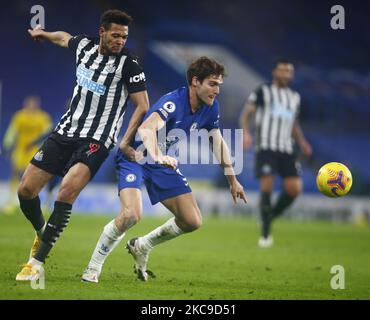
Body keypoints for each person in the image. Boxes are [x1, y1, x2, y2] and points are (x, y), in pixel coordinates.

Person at [82, 56, 247, 283]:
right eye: (212, 84)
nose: (217, 90)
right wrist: (159, 155)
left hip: (161, 162)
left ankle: (142, 245)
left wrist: (232, 179)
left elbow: (217, 143)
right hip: (136, 157)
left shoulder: (210, 108)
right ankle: (93, 268)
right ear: (195, 82)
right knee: (131, 215)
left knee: (192, 220)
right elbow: (147, 129)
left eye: (219, 85)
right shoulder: (173, 102)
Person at [16, 9, 149, 281]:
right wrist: (43, 33)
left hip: (97, 139)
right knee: (26, 190)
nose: (120, 41)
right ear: (101, 32)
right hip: (65, 131)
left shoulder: (129, 64)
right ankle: (43, 232)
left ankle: (35, 263)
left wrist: (124, 138)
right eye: (115, 35)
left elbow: (143, 105)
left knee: (65, 191)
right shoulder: (85, 46)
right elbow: (64, 38)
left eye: (124, 37)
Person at [239, 59, 312, 248]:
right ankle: (265, 235)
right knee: (267, 186)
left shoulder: (294, 97)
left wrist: (302, 141)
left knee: (294, 189)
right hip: (266, 147)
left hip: (287, 149)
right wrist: (246, 133)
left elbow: (293, 123)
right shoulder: (263, 91)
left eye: (289, 71)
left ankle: (268, 217)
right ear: (274, 72)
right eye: (282, 70)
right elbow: (247, 114)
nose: (286, 74)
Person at [2, 96, 52, 214]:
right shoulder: (19, 116)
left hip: (35, 150)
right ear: (25, 105)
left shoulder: (42, 117)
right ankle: (11, 202)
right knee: (15, 173)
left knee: (36, 176)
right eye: (29, 104)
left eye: (33, 104)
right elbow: (12, 132)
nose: (31, 106)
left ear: (37, 105)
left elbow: (49, 132)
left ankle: (40, 202)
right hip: (21, 150)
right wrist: (8, 146)